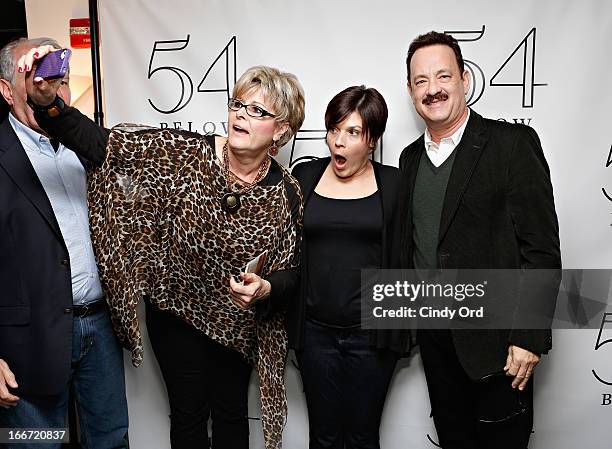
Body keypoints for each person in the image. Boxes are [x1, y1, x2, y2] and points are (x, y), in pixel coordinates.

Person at [21, 45, 305, 449]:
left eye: (258, 111)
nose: (242, 113)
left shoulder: (287, 192)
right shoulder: (186, 154)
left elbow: (292, 271)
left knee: (231, 414)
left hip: (238, 325)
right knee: (188, 415)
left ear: (280, 130)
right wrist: (49, 105)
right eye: (239, 103)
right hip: (177, 314)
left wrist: (266, 288)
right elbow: (107, 147)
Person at [398, 31, 561, 449]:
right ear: (411, 90)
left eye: (442, 76)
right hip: (437, 344)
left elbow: (541, 251)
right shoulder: (410, 159)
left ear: (465, 79)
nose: (432, 90)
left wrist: (527, 337)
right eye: (421, 81)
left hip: (499, 350)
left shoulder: (511, 145)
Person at [0, 38, 129, 448]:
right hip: (27, 343)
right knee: (37, 443)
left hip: (99, 331)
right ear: (7, 90)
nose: (51, 88)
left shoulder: (88, 148)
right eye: (38, 77)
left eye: (60, 78)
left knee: (109, 440)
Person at [290, 86, 410, 449]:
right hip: (315, 334)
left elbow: (406, 258)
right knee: (323, 437)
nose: (338, 142)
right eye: (334, 129)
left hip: (371, 337)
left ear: (372, 139)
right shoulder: (306, 175)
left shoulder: (393, 183)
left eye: (353, 132)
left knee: (362, 437)